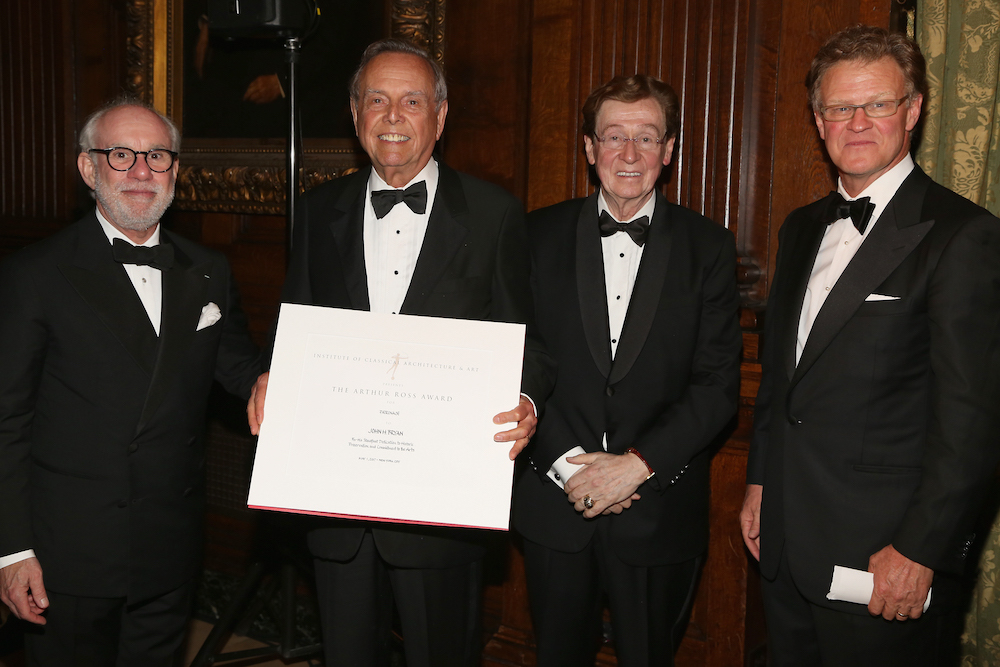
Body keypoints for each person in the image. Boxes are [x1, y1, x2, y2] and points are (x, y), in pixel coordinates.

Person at [246, 39, 555, 667]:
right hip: (336, 503)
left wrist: (525, 398)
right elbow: (294, 329)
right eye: (377, 100)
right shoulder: (317, 212)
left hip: (443, 504)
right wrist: (271, 377)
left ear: (440, 117)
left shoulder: (494, 214)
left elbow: (531, 342)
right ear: (354, 114)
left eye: (411, 101)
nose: (392, 117)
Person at [740, 25, 1000, 666]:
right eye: (839, 107)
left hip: (886, 559)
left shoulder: (963, 236)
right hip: (784, 545)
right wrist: (760, 482)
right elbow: (782, 381)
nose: (857, 123)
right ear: (818, 120)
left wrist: (921, 550)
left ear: (912, 111)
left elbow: (973, 422)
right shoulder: (800, 227)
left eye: (877, 104)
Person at [0, 97, 261, 665]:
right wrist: (12, 550)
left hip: (169, 543)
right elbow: (7, 421)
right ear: (88, 168)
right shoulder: (34, 274)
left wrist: (266, 380)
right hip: (68, 550)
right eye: (121, 155)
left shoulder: (208, 269)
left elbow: (236, 363)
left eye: (157, 156)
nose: (142, 171)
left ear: (175, 170)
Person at [512, 74, 742, 666]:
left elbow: (717, 386)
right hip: (555, 503)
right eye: (614, 136)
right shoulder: (534, 235)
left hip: (659, 510)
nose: (630, 154)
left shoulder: (710, 247)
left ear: (669, 150)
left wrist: (637, 467)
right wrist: (571, 468)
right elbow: (518, 360)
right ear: (590, 148)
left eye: (647, 137)